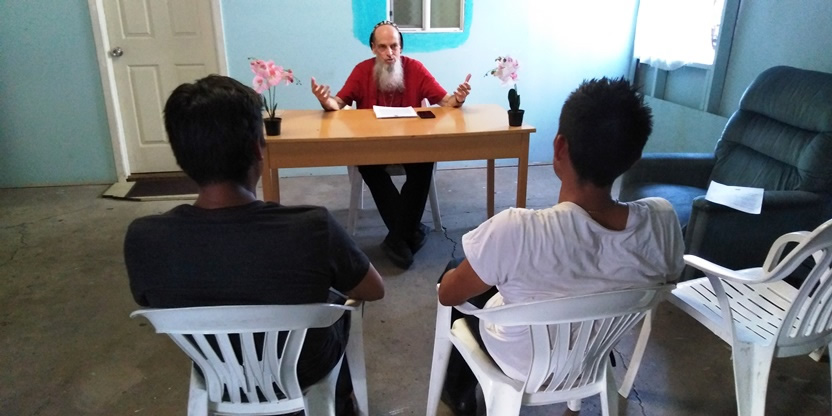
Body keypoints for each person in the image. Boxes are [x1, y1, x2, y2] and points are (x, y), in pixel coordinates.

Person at [123, 75, 384, 416]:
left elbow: (148, 299)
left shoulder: (143, 240)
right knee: (337, 305)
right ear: (257, 148)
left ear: (180, 156)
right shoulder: (312, 228)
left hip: (217, 369)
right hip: (304, 370)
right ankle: (343, 400)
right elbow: (373, 289)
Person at [436, 77, 685, 415]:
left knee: (457, 271)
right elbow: (669, 276)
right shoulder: (662, 222)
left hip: (520, 361)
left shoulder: (515, 231)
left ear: (559, 147)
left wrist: (454, 280)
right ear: (634, 158)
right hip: (592, 355)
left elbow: (448, 296)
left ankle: (458, 394)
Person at [309, 20, 472, 269]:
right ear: (373, 48)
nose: (389, 53)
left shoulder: (415, 68)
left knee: (424, 164)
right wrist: (325, 100)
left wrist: (458, 98)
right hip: (373, 146)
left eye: (394, 46)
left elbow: (446, 102)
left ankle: (397, 239)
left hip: (412, 144)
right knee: (369, 167)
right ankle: (410, 232)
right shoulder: (362, 70)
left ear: (401, 47)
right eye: (383, 47)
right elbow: (338, 104)